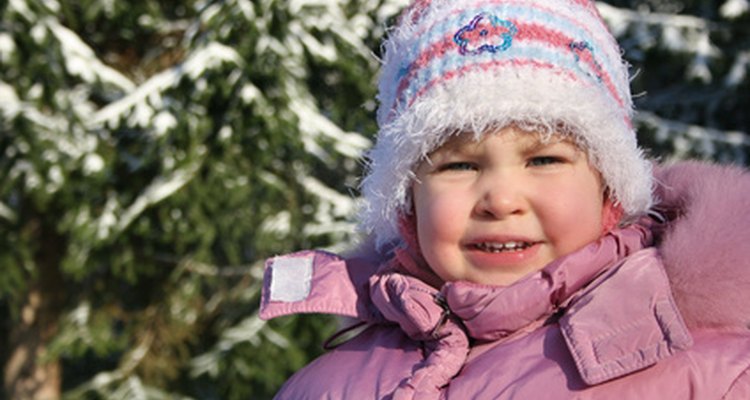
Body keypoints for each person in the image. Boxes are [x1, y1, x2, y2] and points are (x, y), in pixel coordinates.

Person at [259, 0, 750, 398]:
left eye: (543, 160)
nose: (501, 199)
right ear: (408, 205)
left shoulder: (711, 375)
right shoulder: (327, 384)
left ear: (611, 189)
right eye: (459, 165)